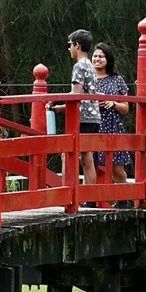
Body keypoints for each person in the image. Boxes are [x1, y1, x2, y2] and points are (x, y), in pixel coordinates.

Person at [51, 29, 99, 190]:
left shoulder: (79, 66)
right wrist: (62, 108)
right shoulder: (90, 65)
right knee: (87, 157)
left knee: (67, 154)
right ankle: (89, 199)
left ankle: (68, 195)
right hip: (93, 116)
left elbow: (76, 95)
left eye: (70, 45)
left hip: (82, 116)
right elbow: (86, 95)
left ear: (77, 46)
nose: (69, 48)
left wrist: (55, 99)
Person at [91, 42, 133, 185]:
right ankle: (89, 200)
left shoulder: (117, 80)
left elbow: (126, 108)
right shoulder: (88, 80)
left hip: (112, 126)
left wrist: (113, 103)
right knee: (91, 164)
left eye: (101, 56)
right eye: (95, 56)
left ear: (108, 59)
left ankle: (123, 199)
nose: (97, 59)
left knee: (117, 168)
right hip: (92, 125)